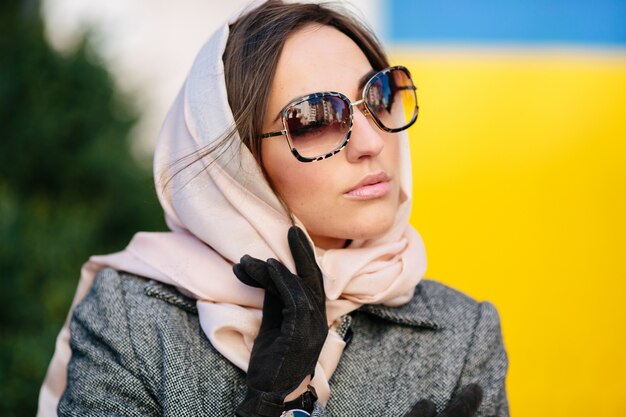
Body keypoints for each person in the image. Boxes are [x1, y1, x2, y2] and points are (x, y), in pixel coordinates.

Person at [38, 1, 509, 416]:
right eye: (314, 119)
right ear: (239, 162)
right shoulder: (131, 320)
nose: (372, 142)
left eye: (380, 95)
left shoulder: (463, 333)